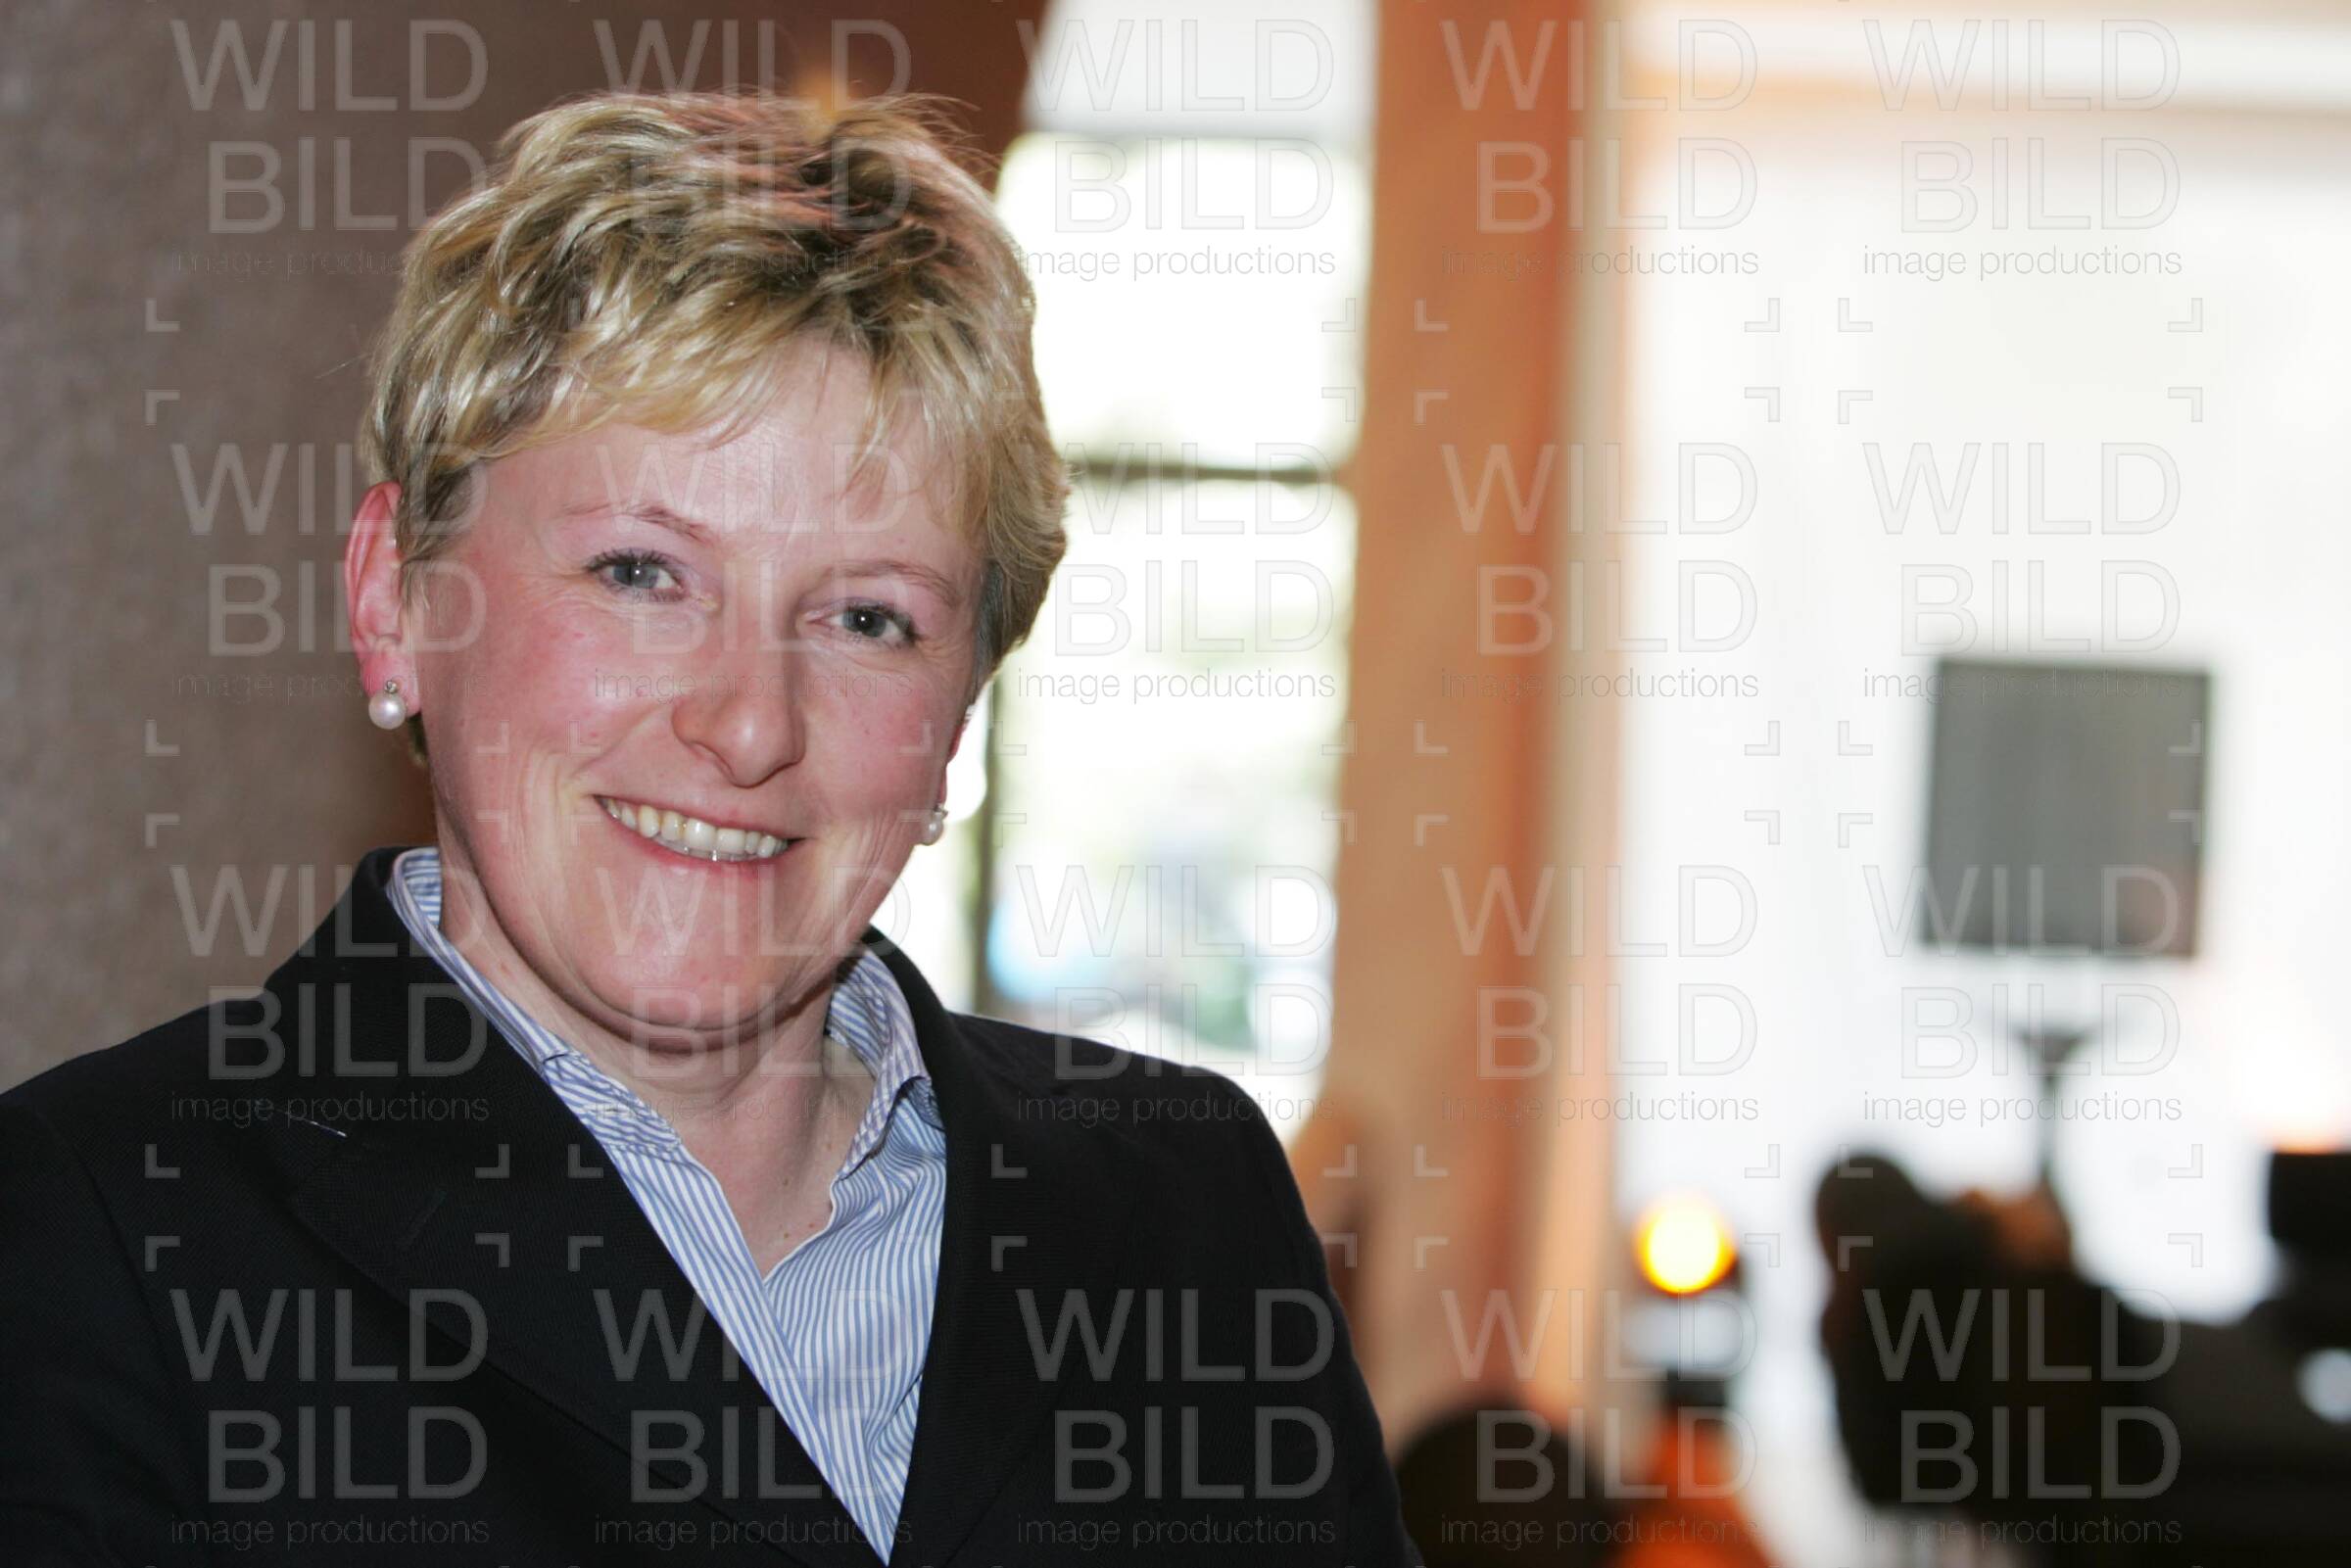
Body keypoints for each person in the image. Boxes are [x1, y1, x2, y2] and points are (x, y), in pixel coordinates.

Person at [0, 88, 1418, 1566]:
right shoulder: (103, 1235)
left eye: (869, 617)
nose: (750, 725)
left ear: (959, 714)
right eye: (640, 573)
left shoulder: (1187, 1209)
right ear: (394, 600)